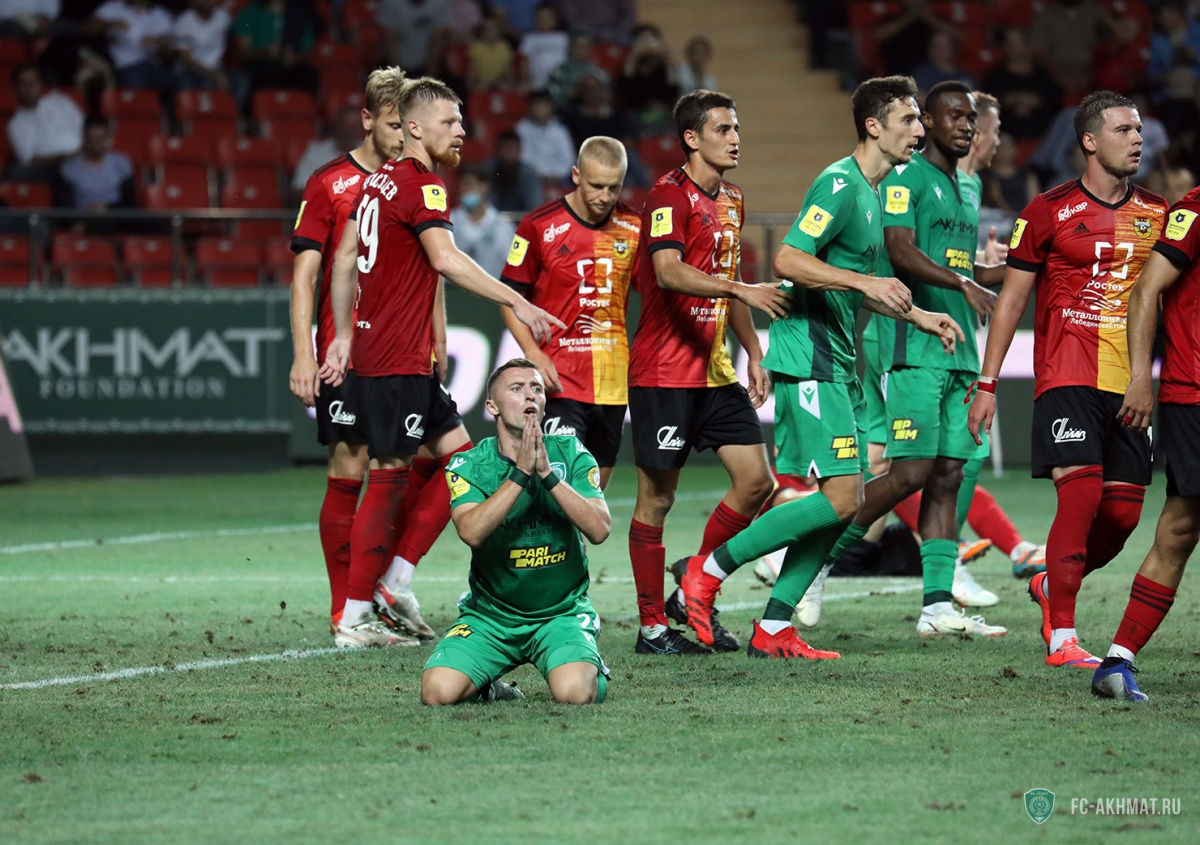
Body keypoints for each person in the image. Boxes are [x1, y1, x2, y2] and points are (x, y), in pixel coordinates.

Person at [677, 75, 964, 660]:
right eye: (909, 119)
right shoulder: (839, 184)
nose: (919, 129)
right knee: (838, 501)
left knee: (847, 502)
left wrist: (918, 316)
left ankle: (774, 627)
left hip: (838, 357)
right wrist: (865, 282)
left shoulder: (876, 192)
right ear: (873, 126)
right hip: (808, 353)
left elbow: (864, 286)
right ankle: (706, 572)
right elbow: (788, 258)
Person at [321, 76, 564, 648]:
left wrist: (343, 335)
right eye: (449, 122)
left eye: (460, 121)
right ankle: (354, 616)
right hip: (395, 358)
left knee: (462, 461)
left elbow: (346, 256)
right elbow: (447, 260)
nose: (460, 131)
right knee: (387, 477)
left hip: (394, 352)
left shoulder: (375, 182)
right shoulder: (423, 185)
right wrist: (517, 300)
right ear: (414, 127)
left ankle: (395, 581)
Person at [968, 91, 1169, 669]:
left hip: (1130, 381)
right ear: (1089, 141)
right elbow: (1011, 301)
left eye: (1139, 129)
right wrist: (987, 383)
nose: (1138, 139)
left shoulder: (1158, 213)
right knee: (1079, 499)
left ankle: (1048, 585)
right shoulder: (1047, 210)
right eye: (1124, 130)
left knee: (1122, 518)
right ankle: (1063, 637)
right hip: (1067, 373)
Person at [289, 68, 467, 643]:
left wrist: (438, 332)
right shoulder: (332, 183)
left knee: (433, 460)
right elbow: (309, 275)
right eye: (391, 125)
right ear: (371, 121)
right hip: (350, 352)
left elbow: (426, 266)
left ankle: (380, 587)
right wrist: (307, 351)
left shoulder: (408, 181)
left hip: (404, 348)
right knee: (352, 468)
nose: (397, 136)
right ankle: (348, 608)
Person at [624, 88, 791, 657]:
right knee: (657, 500)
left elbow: (729, 277)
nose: (735, 138)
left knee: (757, 482)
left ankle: (694, 580)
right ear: (691, 138)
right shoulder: (667, 195)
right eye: (723, 129)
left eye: (736, 128)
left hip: (715, 371)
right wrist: (739, 289)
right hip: (662, 373)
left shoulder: (734, 198)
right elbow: (668, 272)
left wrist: (754, 350)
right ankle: (652, 628)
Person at [421, 359, 612, 705]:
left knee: (574, 694)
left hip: (561, 613)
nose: (530, 395)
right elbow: (471, 531)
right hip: (491, 617)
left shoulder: (571, 454)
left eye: (537, 389)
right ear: (492, 406)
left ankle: (588, 661)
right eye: (517, 388)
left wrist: (548, 475)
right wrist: (520, 474)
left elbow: (600, 529)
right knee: (437, 693)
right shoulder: (469, 465)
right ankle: (491, 687)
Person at [1091, 182, 1200, 702]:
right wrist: (1140, 377)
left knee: (1181, 526)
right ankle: (1118, 660)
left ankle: (1117, 661)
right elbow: (1145, 289)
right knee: (1180, 527)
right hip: (1194, 392)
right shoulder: (1194, 212)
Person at [499, 136, 640, 490]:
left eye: (614, 187)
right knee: (560, 488)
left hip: (613, 384)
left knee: (592, 494)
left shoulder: (635, 227)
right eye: (596, 185)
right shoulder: (538, 225)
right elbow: (508, 298)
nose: (605, 196)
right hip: (558, 381)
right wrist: (533, 354)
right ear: (576, 175)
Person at [6, 63, 84, 183]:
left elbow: (84, 127)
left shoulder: (60, 101)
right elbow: (29, 160)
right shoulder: (16, 124)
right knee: (16, 171)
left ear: (40, 83)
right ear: (16, 88)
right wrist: (63, 157)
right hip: (53, 167)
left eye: (33, 82)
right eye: (23, 84)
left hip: (83, 155)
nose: (29, 87)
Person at [56, 116, 136, 218]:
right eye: (92, 139)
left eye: (101, 139)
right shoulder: (69, 169)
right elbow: (63, 206)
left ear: (108, 138)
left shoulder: (122, 164)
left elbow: (130, 203)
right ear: (84, 138)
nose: (96, 145)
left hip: (116, 218)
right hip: (82, 219)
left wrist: (107, 208)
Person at [449, 165, 515, 278]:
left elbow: (513, 266)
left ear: (484, 187)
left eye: (469, 184)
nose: (465, 190)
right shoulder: (448, 221)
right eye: (462, 185)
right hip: (453, 289)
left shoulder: (503, 226)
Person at [516, 88, 577, 186]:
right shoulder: (522, 128)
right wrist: (539, 175)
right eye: (536, 105)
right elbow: (523, 157)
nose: (539, 108)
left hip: (558, 178)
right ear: (530, 107)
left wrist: (554, 176)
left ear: (550, 107)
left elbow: (568, 159)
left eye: (543, 105)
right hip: (531, 176)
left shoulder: (560, 130)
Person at [488, 129, 543, 213]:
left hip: (522, 219)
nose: (508, 153)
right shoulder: (488, 170)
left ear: (519, 150)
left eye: (512, 148)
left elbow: (535, 206)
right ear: (498, 150)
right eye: (505, 148)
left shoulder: (529, 173)